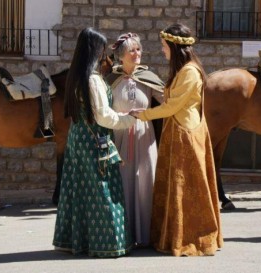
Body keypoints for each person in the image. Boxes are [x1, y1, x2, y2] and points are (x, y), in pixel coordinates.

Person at [130, 23, 223, 256]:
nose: (162, 50)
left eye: (164, 46)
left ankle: (190, 237)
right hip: (179, 131)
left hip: (186, 134)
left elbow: (172, 106)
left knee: (187, 188)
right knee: (177, 187)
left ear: (174, 46)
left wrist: (143, 115)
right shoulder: (183, 71)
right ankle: (174, 234)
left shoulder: (190, 72)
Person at [53, 27, 136, 257]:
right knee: (103, 190)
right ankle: (106, 244)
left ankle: (78, 241)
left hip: (78, 138)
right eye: (101, 47)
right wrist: (130, 120)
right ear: (94, 50)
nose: (103, 52)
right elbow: (103, 116)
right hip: (94, 139)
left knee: (79, 190)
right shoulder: (92, 80)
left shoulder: (75, 76)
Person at [106, 32, 164, 247]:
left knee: (144, 182)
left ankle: (147, 235)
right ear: (121, 55)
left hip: (143, 135)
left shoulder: (148, 76)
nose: (137, 53)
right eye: (132, 50)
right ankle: (124, 234)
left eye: (139, 49)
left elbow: (168, 100)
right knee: (122, 182)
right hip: (119, 135)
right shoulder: (110, 80)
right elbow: (102, 108)